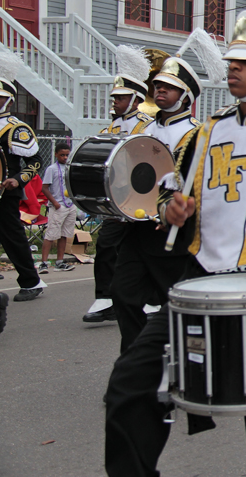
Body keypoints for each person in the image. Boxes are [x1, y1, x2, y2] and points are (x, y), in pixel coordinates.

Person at [104, 9, 246, 477]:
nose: (232, 67)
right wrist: (173, 210)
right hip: (195, 289)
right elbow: (170, 195)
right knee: (130, 388)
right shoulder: (205, 133)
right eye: (232, 59)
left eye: (245, 61)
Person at [108, 42, 207, 353]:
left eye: (169, 87)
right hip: (137, 228)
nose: (160, 91)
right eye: (159, 86)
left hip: (174, 235)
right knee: (124, 295)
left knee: (179, 305)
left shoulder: (198, 135)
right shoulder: (142, 130)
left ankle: (188, 364)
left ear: (186, 96)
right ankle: (136, 362)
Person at [83, 46, 154, 323]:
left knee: (145, 247)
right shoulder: (108, 130)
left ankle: (152, 299)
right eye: (115, 97)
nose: (115, 102)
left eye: (121, 97)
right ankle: (105, 297)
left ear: (135, 99)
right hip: (116, 198)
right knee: (106, 246)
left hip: (141, 197)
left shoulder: (147, 127)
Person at [0, 50, 46, 302]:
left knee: (13, 238)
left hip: (6, 189)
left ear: (9, 101)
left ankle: (32, 281)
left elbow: (36, 161)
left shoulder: (16, 128)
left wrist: (19, 179)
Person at [38, 142, 76, 273]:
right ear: (56, 154)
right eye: (62, 155)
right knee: (51, 234)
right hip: (58, 205)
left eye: (67, 155)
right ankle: (44, 262)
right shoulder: (52, 169)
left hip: (70, 204)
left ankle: (60, 261)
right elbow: (44, 187)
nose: (65, 158)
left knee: (64, 234)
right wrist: (54, 202)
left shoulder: (70, 168)